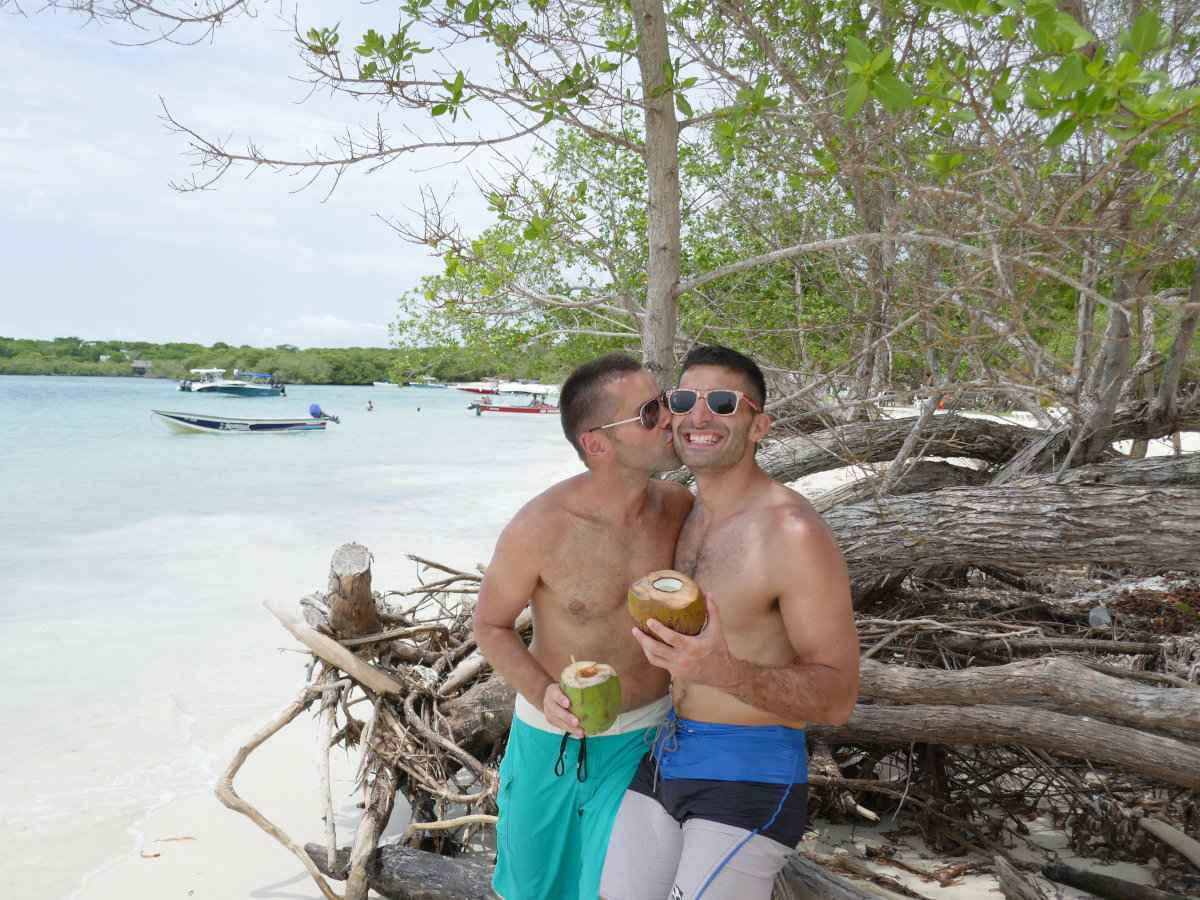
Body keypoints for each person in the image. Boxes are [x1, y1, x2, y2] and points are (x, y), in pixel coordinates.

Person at [600, 345, 859, 900]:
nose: (699, 416)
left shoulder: (792, 532)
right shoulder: (683, 513)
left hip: (749, 773)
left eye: (722, 403)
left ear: (758, 424)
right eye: (684, 400)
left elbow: (838, 697)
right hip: (665, 757)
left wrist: (722, 671)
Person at [475, 353, 694, 900]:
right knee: (530, 890)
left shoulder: (680, 509)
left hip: (644, 740)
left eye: (664, 402)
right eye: (649, 412)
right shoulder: (540, 526)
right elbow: (492, 625)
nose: (669, 417)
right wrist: (544, 691)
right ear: (597, 442)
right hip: (547, 741)